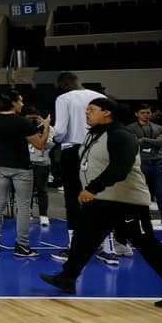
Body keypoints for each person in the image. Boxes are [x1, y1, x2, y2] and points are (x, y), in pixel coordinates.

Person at [39, 97, 162, 309]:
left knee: (147, 245)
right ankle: (67, 277)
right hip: (102, 200)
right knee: (84, 237)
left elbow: (120, 168)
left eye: (91, 109)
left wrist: (92, 188)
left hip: (126, 201)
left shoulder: (121, 135)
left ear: (106, 112)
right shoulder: (94, 134)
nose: (87, 113)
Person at [0, 92, 49, 257]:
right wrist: (46, 126)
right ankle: (22, 245)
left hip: (1, 166)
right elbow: (40, 145)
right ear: (13, 103)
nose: (22, 103)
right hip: (21, 168)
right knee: (24, 206)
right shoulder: (22, 121)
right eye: (20, 100)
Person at [50, 72, 104, 262]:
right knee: (101, 198)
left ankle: (74, 246)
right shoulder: (100, 97)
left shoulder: (64, 98)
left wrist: (50, 133)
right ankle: (109, 248)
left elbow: (61, 131)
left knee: (73, 198)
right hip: (100, 150)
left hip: (74, 150)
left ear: (63, 84)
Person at [129, 102, 162, 228]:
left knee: (161, 191)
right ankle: (141, 216)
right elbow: (133, 143)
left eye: (148, 112)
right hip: (141, 162)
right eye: (143, 113)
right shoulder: (131, 128)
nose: (146, 115)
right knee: (141, 191)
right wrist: (155, 141)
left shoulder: (159, 128)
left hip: (158, 162)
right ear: (136, 114)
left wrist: (144, 140)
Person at [23, 105, 53, 227]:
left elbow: (50, 144)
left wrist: (42, 131)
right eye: (29, 118)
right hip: (27, 161)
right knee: (26, 190)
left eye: (34, 118)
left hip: (42, 162)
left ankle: (43, 215)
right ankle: (26, 213)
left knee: (42, 190)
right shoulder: (23, 127)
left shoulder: (48, 128)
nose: (32, 121)